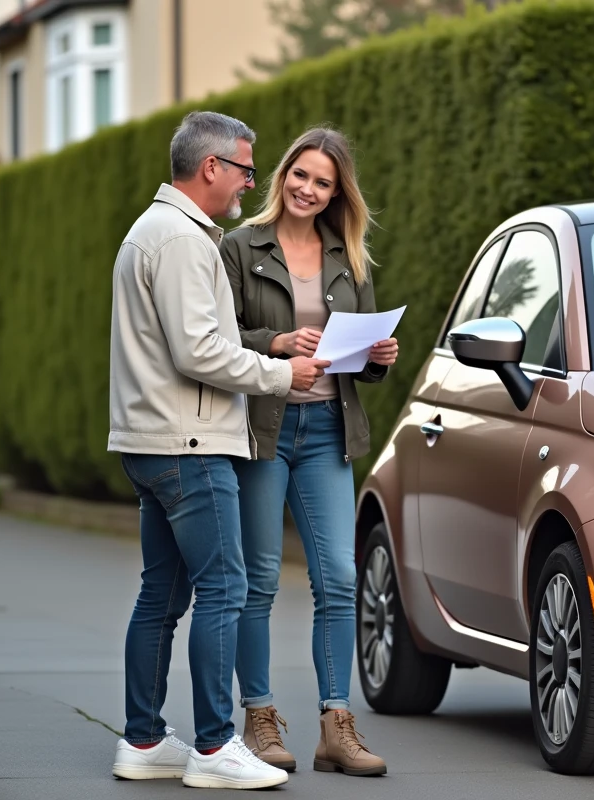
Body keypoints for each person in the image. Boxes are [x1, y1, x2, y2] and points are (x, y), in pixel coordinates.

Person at [106, 110, 329, 790]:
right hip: (191, 445)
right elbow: (198, 351)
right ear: (211, 168)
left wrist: (270, 348)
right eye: (244, 170)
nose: (247, 184)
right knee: (225, 588)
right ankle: (212, 748)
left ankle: (144, 741)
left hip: (156, 440)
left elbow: (201, 338)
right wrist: (280, 375)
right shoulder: (180, 238)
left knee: (162, 595)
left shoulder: (159, 231)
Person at [220, 125, 397, 777]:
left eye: (323, 182)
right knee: (258, 580)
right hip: (263, 430)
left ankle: (335, 725)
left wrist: (379, 359)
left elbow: (363, 357)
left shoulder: (350, 258)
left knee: (340, 580)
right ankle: (259, 719)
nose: (309, 189)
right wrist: (274, 341)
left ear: (336, 193)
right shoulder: (240, 248)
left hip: (328, 428)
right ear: (283, 174)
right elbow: (215, 338)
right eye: (301, 175)